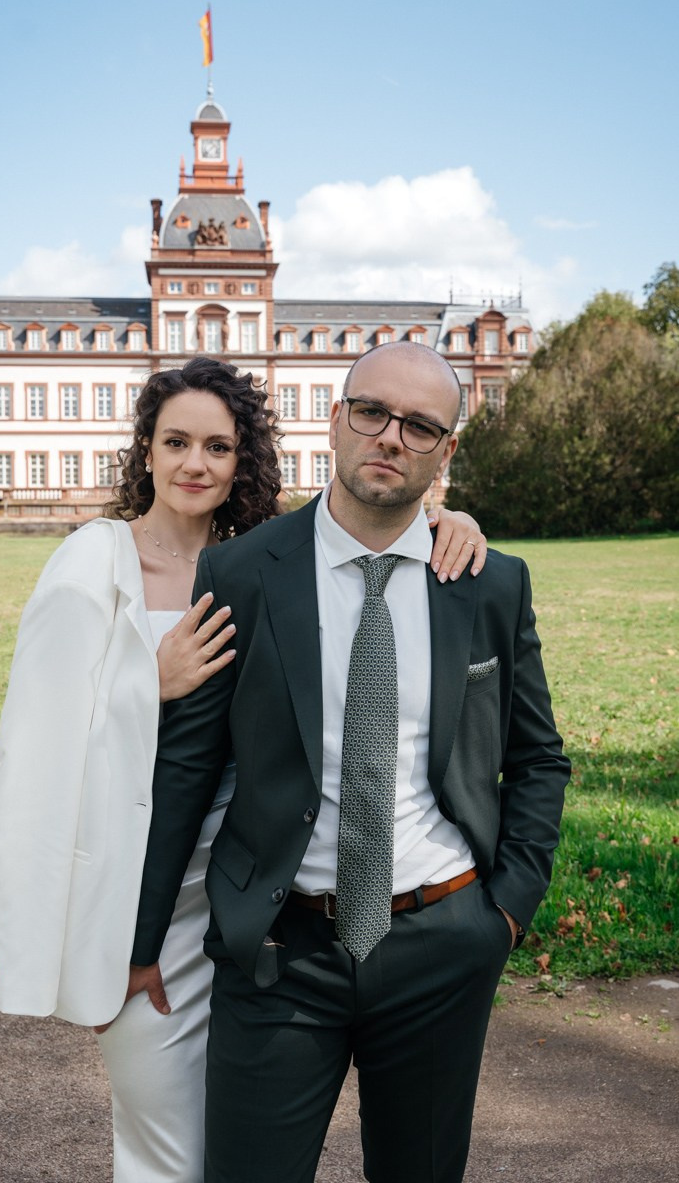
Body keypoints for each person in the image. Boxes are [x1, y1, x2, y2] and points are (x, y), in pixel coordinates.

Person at [0, 354, 487, 1183]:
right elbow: (36, 739)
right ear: (146, 451)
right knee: (166, 1149)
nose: (196, 463)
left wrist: (452, 518)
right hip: (143, 886)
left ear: (244, 460)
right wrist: (144, 686)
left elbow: (370, 530)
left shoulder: (253, 564)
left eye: (219, 447)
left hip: (252, 904)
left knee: (235, 1150)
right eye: (176, 442)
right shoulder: (94, 563)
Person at [132, 342, 571, 1183]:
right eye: (370, 412)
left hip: (444, 941)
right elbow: (189, 764)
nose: (389, 437)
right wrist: (141, 936)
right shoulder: (244, 571)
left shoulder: (487, 583)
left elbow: (537, 758)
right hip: (279, 950)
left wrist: (506, 910)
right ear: (334, 422)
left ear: (445, 452)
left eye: (419, 426)